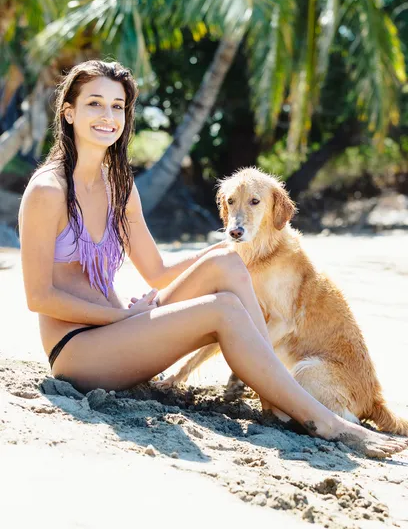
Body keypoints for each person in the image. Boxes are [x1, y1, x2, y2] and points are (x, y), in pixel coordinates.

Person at [19, 60, 406, 459]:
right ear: (69, 112)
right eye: (95, 104)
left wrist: (221, 250)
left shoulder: (119, 186)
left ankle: (277, 399)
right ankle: (321, 419)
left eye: (117, 107)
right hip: (79, 351)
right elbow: (39, 297)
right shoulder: (48, 190)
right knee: (222, 309)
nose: (107, 116)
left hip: (124, 335)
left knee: (226, 261)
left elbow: (158, 271)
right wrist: (122, 318)